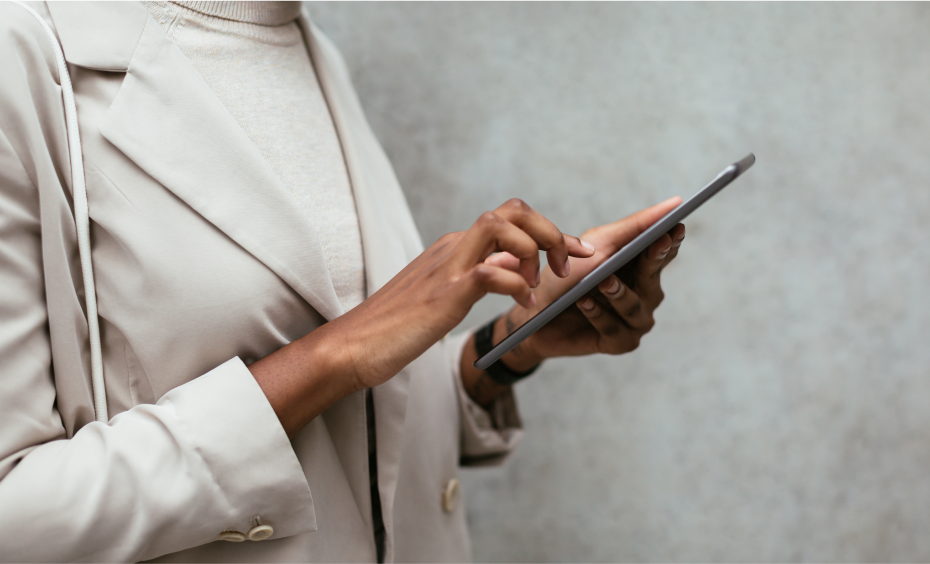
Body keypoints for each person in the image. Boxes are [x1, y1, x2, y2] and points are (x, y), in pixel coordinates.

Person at [0, 0, 686, 563]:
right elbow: (15, 516)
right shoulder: (22, 56)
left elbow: (354, 426)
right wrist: (332, 355)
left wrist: (504, 352)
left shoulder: (309, 49)